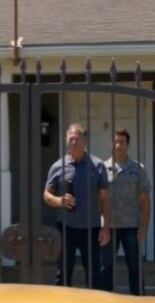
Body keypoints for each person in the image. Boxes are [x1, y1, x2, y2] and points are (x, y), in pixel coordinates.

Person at [43, 123, 111, 289]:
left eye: (77, 138)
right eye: (70, 138)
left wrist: (106, 227)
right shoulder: (58, 166)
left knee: (94, 274)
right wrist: (60, 201)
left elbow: (105, 199)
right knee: (63, 273)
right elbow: (46, 195)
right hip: (66, 227)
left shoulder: (97, 166)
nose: (73, 142)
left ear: (85, 141)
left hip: (91, 228)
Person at [100, 128, 151, 295]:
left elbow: (144, 200)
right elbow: (97, 199)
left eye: (122, 142)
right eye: (115, 141)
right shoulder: (102, 168)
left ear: (127, 144)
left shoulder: (137, 169)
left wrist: (144, 227)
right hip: (109, 226)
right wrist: (101, 226)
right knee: (105, 268)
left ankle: (138, 299)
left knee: (134, 267)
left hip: (131, 225)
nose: (118, 145)